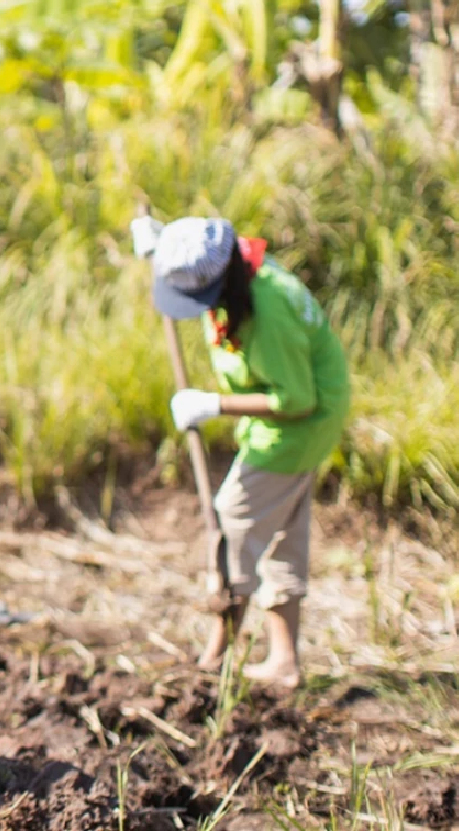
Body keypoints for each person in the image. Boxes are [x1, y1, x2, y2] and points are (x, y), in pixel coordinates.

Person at [140, 215, 350, 690]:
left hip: (299, 424)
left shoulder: (268, 309)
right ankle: (283, 662)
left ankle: (214, 658)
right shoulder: (238, 267)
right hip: (307, 415)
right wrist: (161, 248)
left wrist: (215, 404)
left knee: (234, 520)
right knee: (282, 533)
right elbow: (198, 255)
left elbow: (296, 400)